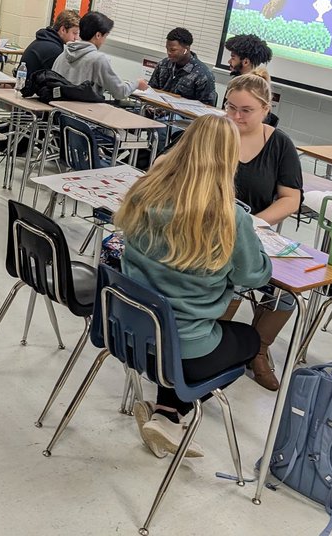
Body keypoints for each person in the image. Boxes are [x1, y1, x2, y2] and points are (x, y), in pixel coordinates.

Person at [116, 114, 271, 457]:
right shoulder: (231, 218)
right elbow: (254, 277)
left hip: (127, 332)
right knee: (249, 339)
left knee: (177, 323)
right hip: (181, 348)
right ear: (229, 159)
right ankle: (171, 415)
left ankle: (165, 414)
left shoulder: (144, 190)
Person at [222, 72, 303, 390]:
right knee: (225, 275)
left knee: (288, 290)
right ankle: (213, 336)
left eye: (245, 111)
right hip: (210, 229)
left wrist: (254, 223)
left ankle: (258, 349)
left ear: (265, 110)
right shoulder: (216, 132)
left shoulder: (280, 144)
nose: (236, 116)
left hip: (256, 230)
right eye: (231, 108)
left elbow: (291, 198)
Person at [52, 11, 147, 100]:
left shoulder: (64, 53)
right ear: (98, 35)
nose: (104, 41)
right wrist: (137, 83)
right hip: (83, 113)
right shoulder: (99, 59)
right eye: (105, 36)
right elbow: (120, 92)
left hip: (59, 111)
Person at [148, 27, 218, 104]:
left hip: (183, 114)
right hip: (156, 110)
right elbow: (151, 90)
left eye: (173, 50)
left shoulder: (203, 75)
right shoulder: (163, 64)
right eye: (167, 49)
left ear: (186, 50)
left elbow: (207, 108)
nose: (168, 53)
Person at [19, 9, 80, 88]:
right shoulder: (54, 50)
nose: (76, 38)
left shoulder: (46, 40)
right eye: (74, 33)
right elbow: (57, 80)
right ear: (63, 30)